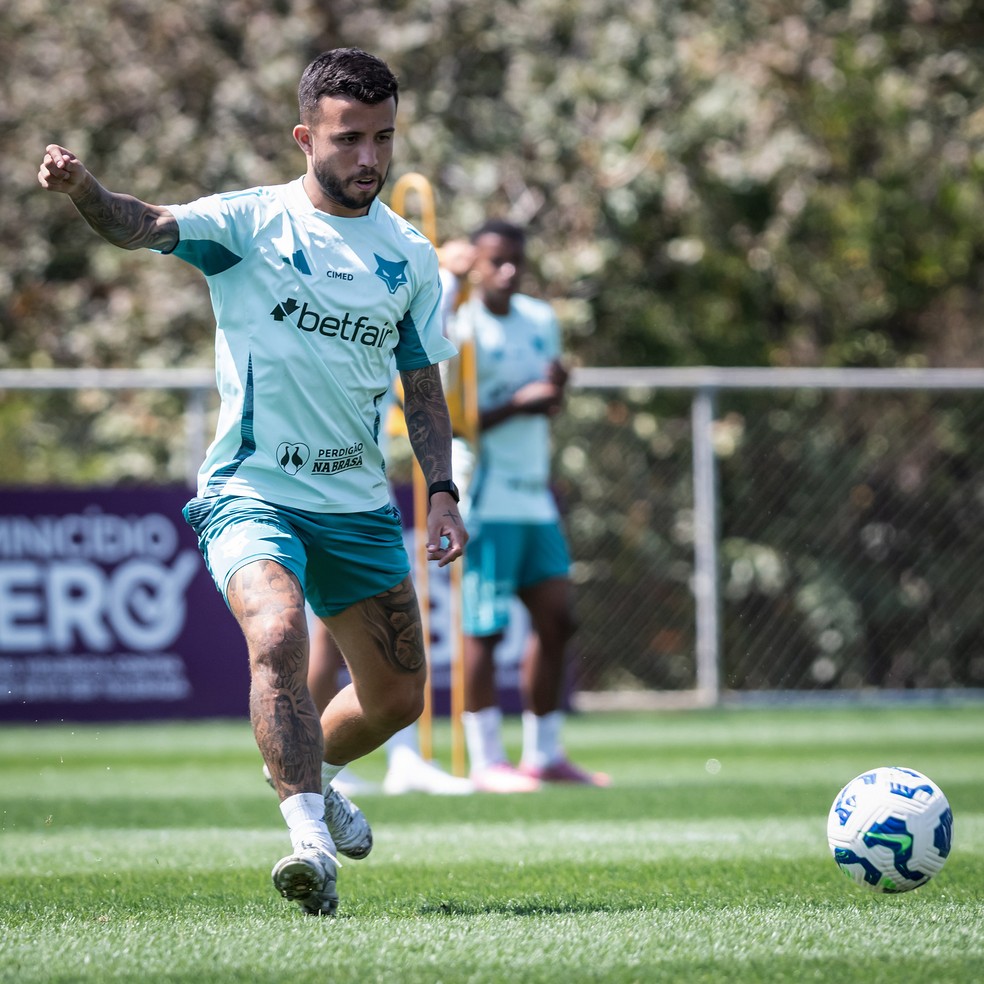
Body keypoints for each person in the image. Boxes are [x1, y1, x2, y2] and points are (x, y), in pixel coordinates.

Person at [38, 47, 468, 916]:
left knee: (396, 700)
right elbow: (140, 222)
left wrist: (443, 491)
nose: (370, 159)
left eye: (383, 138)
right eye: (350, 139)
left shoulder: (412, 258)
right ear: (307, 136)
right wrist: (86, 191)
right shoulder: (250, 225)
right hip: (253, 491)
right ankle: (309, 843)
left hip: (354, 503)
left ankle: (317, 777)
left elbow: (422, 387)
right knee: (277, 635)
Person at [443, 220, 609, 794]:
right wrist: (519, 404)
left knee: (558, 619)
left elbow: (548, 401)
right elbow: (451, 421)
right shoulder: (460, 324)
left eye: (516, 261)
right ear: (478, 265)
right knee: (485, 630)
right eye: (496, 261)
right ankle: (488, 759)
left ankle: (544, 753)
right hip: (486, 490)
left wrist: (556, 389)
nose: (507, 272)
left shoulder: (541, 319)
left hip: (533, 489)